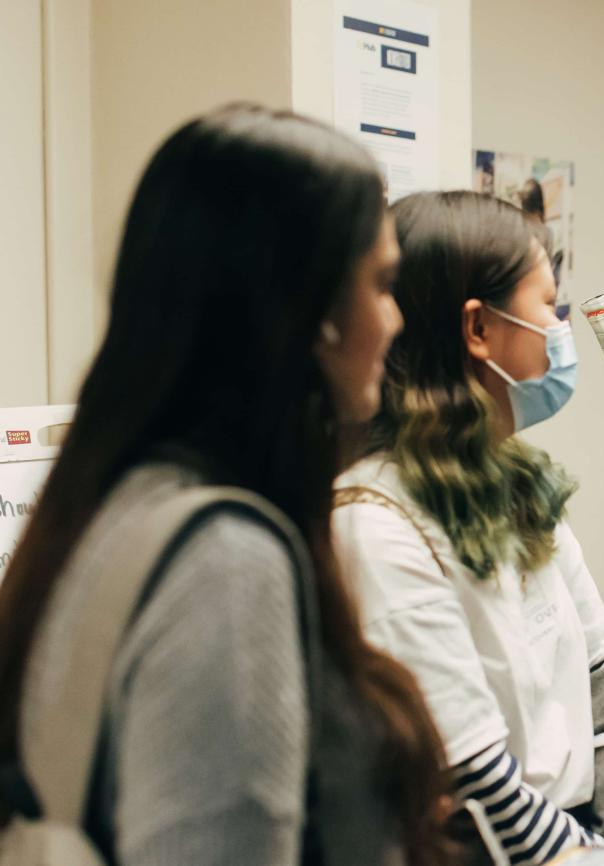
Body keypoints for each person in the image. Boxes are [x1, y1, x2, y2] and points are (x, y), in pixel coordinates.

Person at [0, 104, 453, 865]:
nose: (398, 318)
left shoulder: (112, 505)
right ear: (310, 313)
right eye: (380, 284)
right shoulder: (227, 563)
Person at [331, 191, 604, 864]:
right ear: (478, 330)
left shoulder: (521, 488)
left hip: (584, 841)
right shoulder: (376, 524)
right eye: (548, 305)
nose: (560, 327)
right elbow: (477, 784)